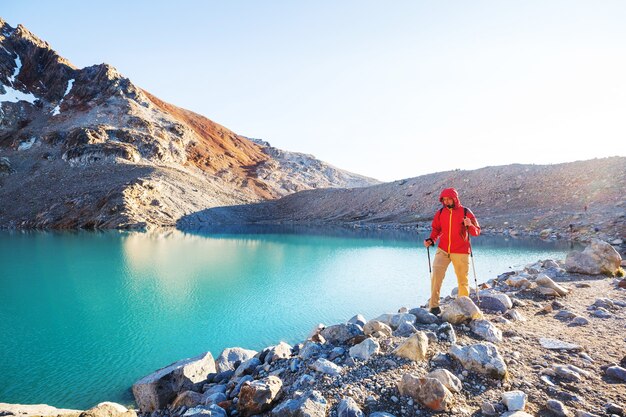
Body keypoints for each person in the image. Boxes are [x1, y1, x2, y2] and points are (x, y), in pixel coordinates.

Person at [423, 188, 480, 315]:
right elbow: (436, 230)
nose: (447, 201)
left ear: (455, 198)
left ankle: (464, 308)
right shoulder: (440, 212)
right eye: (444, 199)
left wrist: (469, 224)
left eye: (449, 199)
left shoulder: (465, 212)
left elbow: (476, 232)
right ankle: (433, 307)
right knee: (436, 277)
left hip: (460, 251)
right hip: (443, 250)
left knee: (462, 280)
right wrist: (431, 240)